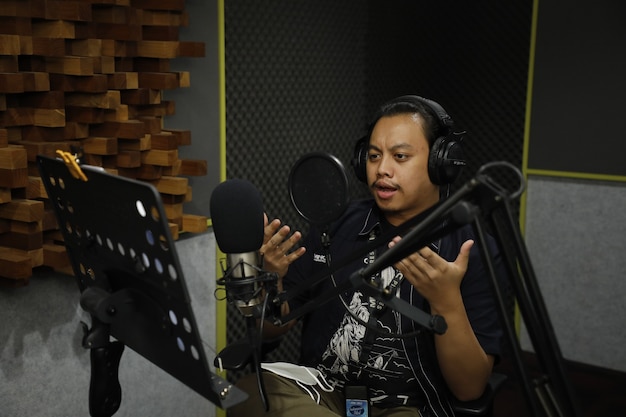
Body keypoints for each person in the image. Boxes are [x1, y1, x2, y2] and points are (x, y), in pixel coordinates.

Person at [229, 95, 504, 417]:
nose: (382, 169)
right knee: (248, 392)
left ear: (440, 163)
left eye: (400, 156)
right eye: (373, 156)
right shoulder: (337, 224)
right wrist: (272, 281)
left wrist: (446, 302)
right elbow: (274, 328)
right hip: (325, 393)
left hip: (410, 405)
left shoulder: (470, 248)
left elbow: (469, 387)